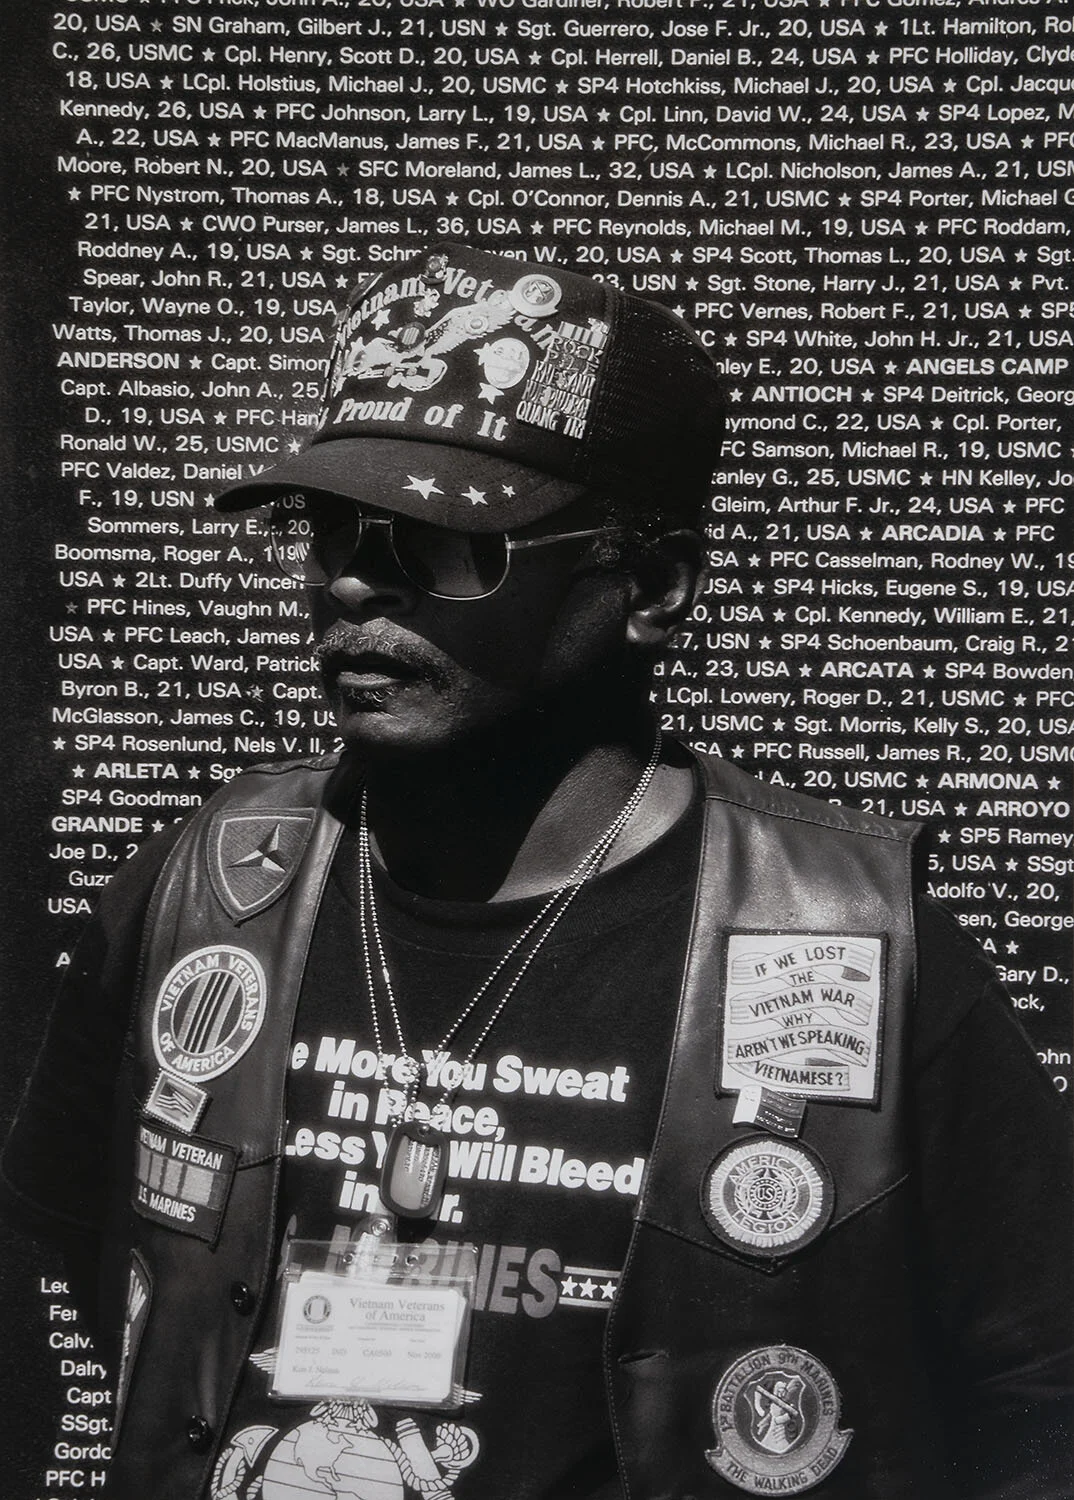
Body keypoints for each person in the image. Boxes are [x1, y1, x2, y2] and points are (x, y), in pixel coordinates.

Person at [2, 242, 1071, 1500]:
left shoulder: (852, 936)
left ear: (653, 587)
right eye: (334, 529)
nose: (350, 582)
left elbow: (1040, 1386)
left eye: (446, 547)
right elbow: (74, 1237)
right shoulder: (206, 887)